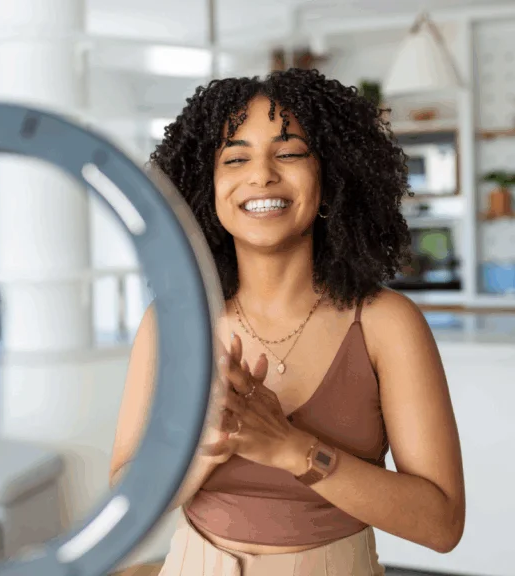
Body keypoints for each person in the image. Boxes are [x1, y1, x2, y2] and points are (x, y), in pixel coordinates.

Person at [108, 67, 465, 576]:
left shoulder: (387, 324)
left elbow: (441, 523)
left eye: (290, 152)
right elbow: (125, 493)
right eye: (235, 158)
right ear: (207, 186)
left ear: (331, 176)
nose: (261, 176)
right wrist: (204, 450)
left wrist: (290, 448)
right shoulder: (171, 324)